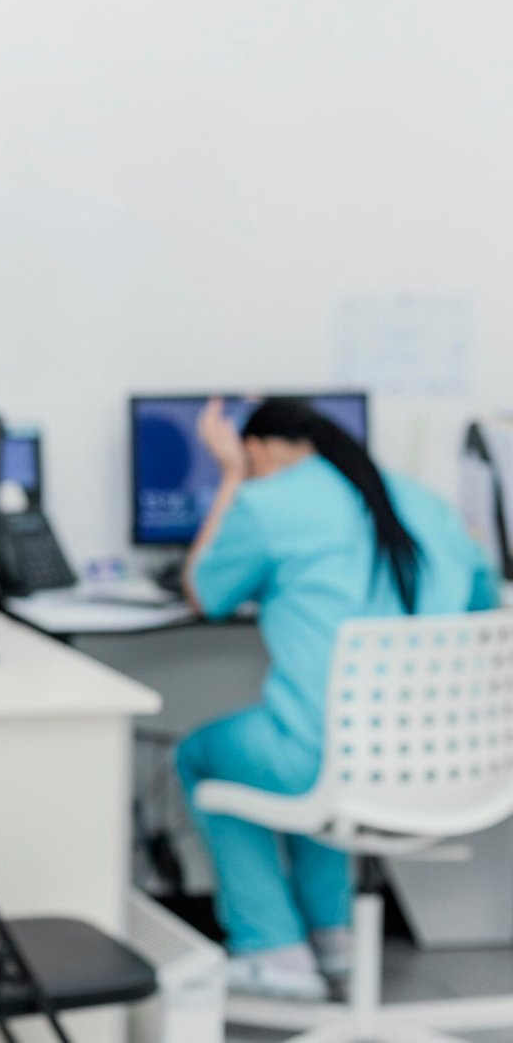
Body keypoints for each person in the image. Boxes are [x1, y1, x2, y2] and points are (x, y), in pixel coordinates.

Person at [177, 396, 498, 1002]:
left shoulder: (267, 501)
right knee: (303, 757)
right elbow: (483, 614)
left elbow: (204, 593)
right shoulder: (428, 504)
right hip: (442, 761)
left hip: (327, 757)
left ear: (260, 449)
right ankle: (331, 936)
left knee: (205, 755)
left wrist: (229, 479)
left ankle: (272, 947)